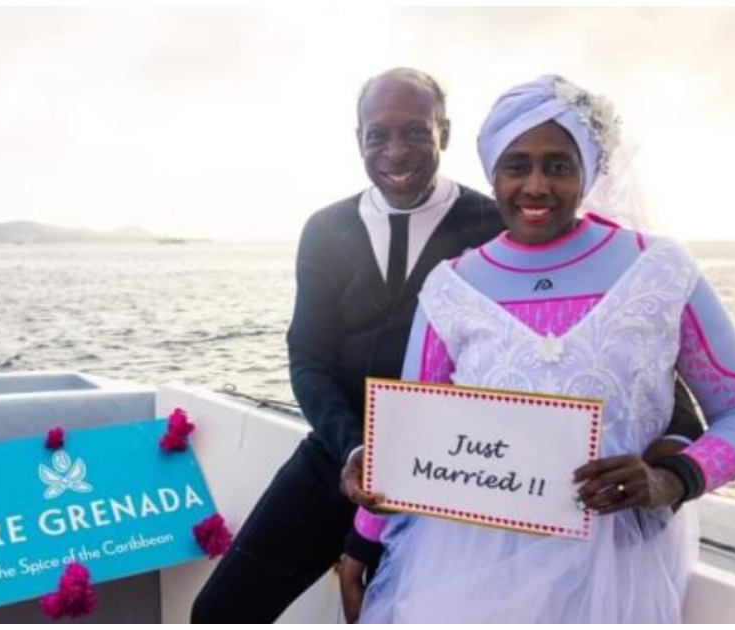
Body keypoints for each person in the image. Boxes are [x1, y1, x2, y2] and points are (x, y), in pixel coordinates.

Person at [191, 67, 704, 623]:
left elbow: (608, 337)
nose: (395, 150)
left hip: (451, 482)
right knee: (220, 611)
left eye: (415, 131)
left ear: (446, 133)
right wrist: (353, 450)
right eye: (377, 135)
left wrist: (675, 442)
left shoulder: (500, 220)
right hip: (339, 456)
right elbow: (308, 358)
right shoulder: (327, 228)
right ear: (357, 138)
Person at [347, 75, 735, 623]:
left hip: (617, 572)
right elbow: (412, 444)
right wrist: (362, 542)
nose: (536, 186)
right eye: (516, 166)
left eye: (557, 165)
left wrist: (671, 479)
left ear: (587, 172)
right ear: (493, 174)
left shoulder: (661, 270)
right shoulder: (450, 287)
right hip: (465, 569)